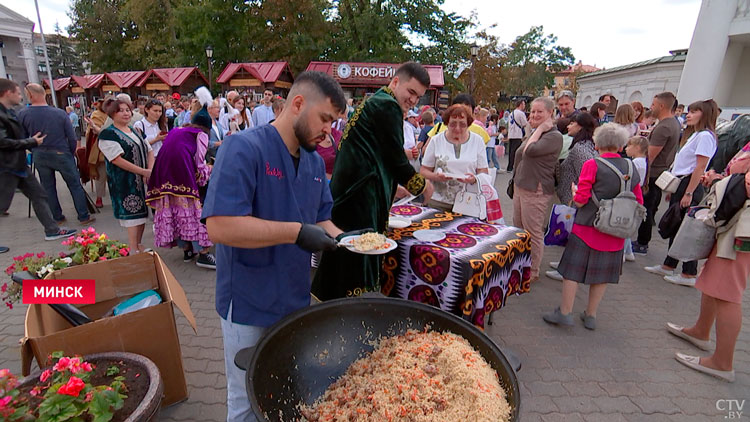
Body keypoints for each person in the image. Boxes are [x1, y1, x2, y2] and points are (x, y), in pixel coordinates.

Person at [202, 71, 346, 422]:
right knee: (245, 399)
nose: (328, 131)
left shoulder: (313, 162)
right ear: (297, 104)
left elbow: (324, 219)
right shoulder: (244, 147)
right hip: (249, 302)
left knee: (282, 389)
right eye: (325, 119)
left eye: (334, 122)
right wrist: (296, 232)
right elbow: (219, 226)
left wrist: (354, 242)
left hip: (293, 300)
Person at [312, 62, 435, 301]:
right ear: (396, 81)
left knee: (341, 261)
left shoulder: (376, 101)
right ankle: (352, 314)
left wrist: (394, 188)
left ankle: (333, 310)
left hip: (351, 194)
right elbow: (397, 160)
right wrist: (422, 186)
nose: (413, 101)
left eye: (418, 97)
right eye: (411, 93)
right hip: (358, 199)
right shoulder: (387, 106)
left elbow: (374, 156)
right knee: (357, 261)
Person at [542, 124, 643, 330]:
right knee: (602, 275)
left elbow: (580, 200)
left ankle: (565, 312)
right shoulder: (631, 168)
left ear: (597, 144)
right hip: (616, 230)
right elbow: (638, 200)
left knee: (572, 271)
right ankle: (590, 314)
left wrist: (574, 190)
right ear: (621, 144)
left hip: (587, 227)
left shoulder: (593, 164)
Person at [668, 161, 750, 384]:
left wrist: (719, 181)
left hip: (740, 230)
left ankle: (722, 363)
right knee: (715, 283)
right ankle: (701, 331)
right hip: (733, 225)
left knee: (727, 293)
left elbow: (747, 184)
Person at [644, 99, 719, 286]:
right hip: (682, 183)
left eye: (694, 112)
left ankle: (689, 272)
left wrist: (689, 192)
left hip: (689, 184)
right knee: (676, 224)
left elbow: (699, 166)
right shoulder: (696, 134)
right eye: (689, 111)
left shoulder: (705, 137)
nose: (689, 115)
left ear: (705, 114)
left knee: (686, 229)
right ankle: (669, 264)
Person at [0, 79, 77, 241]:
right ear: (8, 93)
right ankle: (53, 228)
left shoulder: (13, 112)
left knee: (40, 195)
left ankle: (52, 229)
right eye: (19, 93)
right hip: (6, 166)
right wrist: (31, 142)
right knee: (2, 205)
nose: (21, 96)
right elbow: (3, 142)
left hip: (18, 164)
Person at [147, 88, 215, 269]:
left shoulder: (178, 130)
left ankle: (186, 248)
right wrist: (210, 169)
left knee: (175, 211)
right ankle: (203, 253)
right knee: (194, 211)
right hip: (183, 177)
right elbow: (199, 165)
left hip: (164, 177)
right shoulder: (200, 136)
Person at [18, 83, 94, 225]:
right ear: (45, 95)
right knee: (74, 185)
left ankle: (57, 217)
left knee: (48, 187)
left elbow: (22, 137)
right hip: (61, 152)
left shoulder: (23, 114)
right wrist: (70, 152)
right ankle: (83, 216)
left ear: (30, 95)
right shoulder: (59, 113)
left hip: (40, 153)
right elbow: (71, 137)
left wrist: (32, 149)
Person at [512, 97, 563, 282]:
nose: (534, 115)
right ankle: (518, 264)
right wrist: (535, 129)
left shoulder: (553, 136)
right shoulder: (535, 132)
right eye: (532, 111)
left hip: (536, 189)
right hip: (522, 186)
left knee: (533, 232)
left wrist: (540, 128)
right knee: (518, 229)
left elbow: (530, 151)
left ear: (551, 113)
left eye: (539, 112)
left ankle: (532, 271)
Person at [98, 97, 154, 253]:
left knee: (143, 214)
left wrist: (150, 170)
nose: (125, 113)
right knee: (132, 216)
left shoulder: (136, 131)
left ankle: (139, 244)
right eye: (120, 111)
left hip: (141, 180)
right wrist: (143, 171)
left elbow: (149, 150)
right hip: (123, 182)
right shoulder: (108, 135)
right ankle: (133, 248)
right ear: (112, 114)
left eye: (127, 110)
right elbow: (117, 160)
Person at [632, 92, 682, 255]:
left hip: (653, 174)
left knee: (646, 207)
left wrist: (642, 176)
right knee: (651, 206)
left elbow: (650, 156)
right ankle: (642, 240)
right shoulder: (672, 123)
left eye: (653, 105)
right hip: (660, 172)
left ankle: (642, 242)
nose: (651, 107)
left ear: (661, 106)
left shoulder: (664, 126)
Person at [419, 103, 489, 210]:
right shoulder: (436, 140)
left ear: (469, 124)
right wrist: (436, 177)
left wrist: (474, 179)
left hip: (468, 203)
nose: (457, 128)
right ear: (446, 123)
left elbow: (484, 172)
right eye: (453, 124)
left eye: (462, 124)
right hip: (438, 202)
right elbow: (423, 171)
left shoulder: (477, 141)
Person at [556, 112, 598, 205]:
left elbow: (586, 173)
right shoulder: (588, 145)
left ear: (581, 126)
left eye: (571, 123)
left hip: (573, 201)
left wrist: (578, 196)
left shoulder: (580, 148)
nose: (568, 127)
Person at [84, 99, 109, 208]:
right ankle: (99, 197)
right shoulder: (96, 115)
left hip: (117, 148)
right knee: (101, 175)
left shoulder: (114, 114)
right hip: (101, 150)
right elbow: (91, 130)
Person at [506, 99, 528, 172]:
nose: (524, 106)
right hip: (517, 134)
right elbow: (525, 123)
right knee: (516, 152)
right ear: (521, 104)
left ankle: (509, 166)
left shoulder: (511, 113)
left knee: (511, 152)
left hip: (511, 134)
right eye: (524, 104)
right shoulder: (521, 113)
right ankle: (515, 166)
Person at [207, 99, 225, 165]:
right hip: (209, 159)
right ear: (209, 109)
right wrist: (216, 144)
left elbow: (221, 138)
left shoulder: (218, 124)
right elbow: (202, 142)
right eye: (217, 107)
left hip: (219, 157)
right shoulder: (204, 124)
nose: (219, 110)